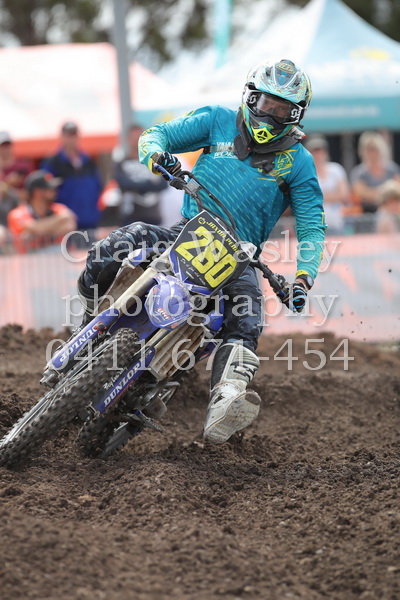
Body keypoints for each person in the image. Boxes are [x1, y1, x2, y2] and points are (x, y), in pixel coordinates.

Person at [77, 58, 326, 445]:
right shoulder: (216, 120)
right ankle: (88, 321)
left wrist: (303, 278)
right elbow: (157, 134)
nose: (270, 115)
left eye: (281, 110)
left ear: (295, 115)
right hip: (187, 231)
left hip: (238, 257)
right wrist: (157, 155)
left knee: (247, 316)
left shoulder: (299, 162)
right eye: (266, 104)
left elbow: (311, 225)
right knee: (122, 241)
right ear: (251, 98)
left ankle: (226, 401)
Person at [42, 122, 102, 237]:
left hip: (90, 220)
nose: (71, 139)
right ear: (62, 137)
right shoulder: (53, 162)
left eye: (74, 135)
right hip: (65, 224)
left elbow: (98, 186)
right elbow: (46, 191)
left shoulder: (88, 161)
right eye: (68, 135)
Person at [7, 170, 76, 253]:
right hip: (28, 259)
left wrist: (36, 232)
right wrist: (57, 224)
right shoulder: (18, 213)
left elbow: (69, 224)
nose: (55, 191)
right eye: (49, 188)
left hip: (57, 257)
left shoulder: (58, 208)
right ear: (37, 192)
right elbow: (28, 233)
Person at [113, 123, 167, 226]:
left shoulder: (154, 162)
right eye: (134, 138)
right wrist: (150, 184)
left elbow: (164, 184)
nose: (137, 141)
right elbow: (123, 184)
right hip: (131, 217)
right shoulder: (122, 163)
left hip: (153, 216)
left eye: (140, 137)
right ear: (128, 139)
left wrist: (136, 185)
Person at [305, 134, 350, 234]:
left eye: (320, 151)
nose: (318, 155)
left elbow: (344, 195)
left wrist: (318, 195)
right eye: (314, 151)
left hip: (337, 224)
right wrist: (333, 195)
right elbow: (306, 198)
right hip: (314, 226)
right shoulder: (305, 174)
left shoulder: (336, 169)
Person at [350, 131, 400, 214]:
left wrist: (374, 193)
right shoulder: (359, 173)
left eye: (374, 149)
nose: (372, 153)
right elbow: (360, 194)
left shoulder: (392, 169)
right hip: (367, 213)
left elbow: (397, 190)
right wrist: (387, 192)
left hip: (392, 210)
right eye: (369, 150)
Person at [0, 130, 34, 203]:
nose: (5, 149)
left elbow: (32, 193)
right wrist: (8, 183)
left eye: (7, 145)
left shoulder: (23, 166)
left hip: (21, 205)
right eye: (3, 146)